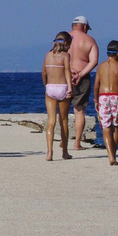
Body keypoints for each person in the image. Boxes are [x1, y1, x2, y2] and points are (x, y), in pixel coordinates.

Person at [66, 16, 99, 151]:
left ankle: (63, 142)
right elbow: (94, 61)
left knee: (62, 111)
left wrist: (69, 70)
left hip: (64, 75)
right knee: (79, 112)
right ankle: (77, 143)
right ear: (85, 27)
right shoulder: (89, 40)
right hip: (82, 77)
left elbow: (56, 56)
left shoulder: (62, 38)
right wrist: (80, 74)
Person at [41, 31, 73, 160]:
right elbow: (67, 71)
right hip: (62, 88)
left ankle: (49, 152)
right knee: (63, 120)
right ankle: (64, 152)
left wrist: (46, 86)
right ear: (66, 43)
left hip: (50, 88)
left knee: (51, 121)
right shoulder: (66, 56)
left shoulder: (48, 55)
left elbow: (43, 73)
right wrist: (70, 88)